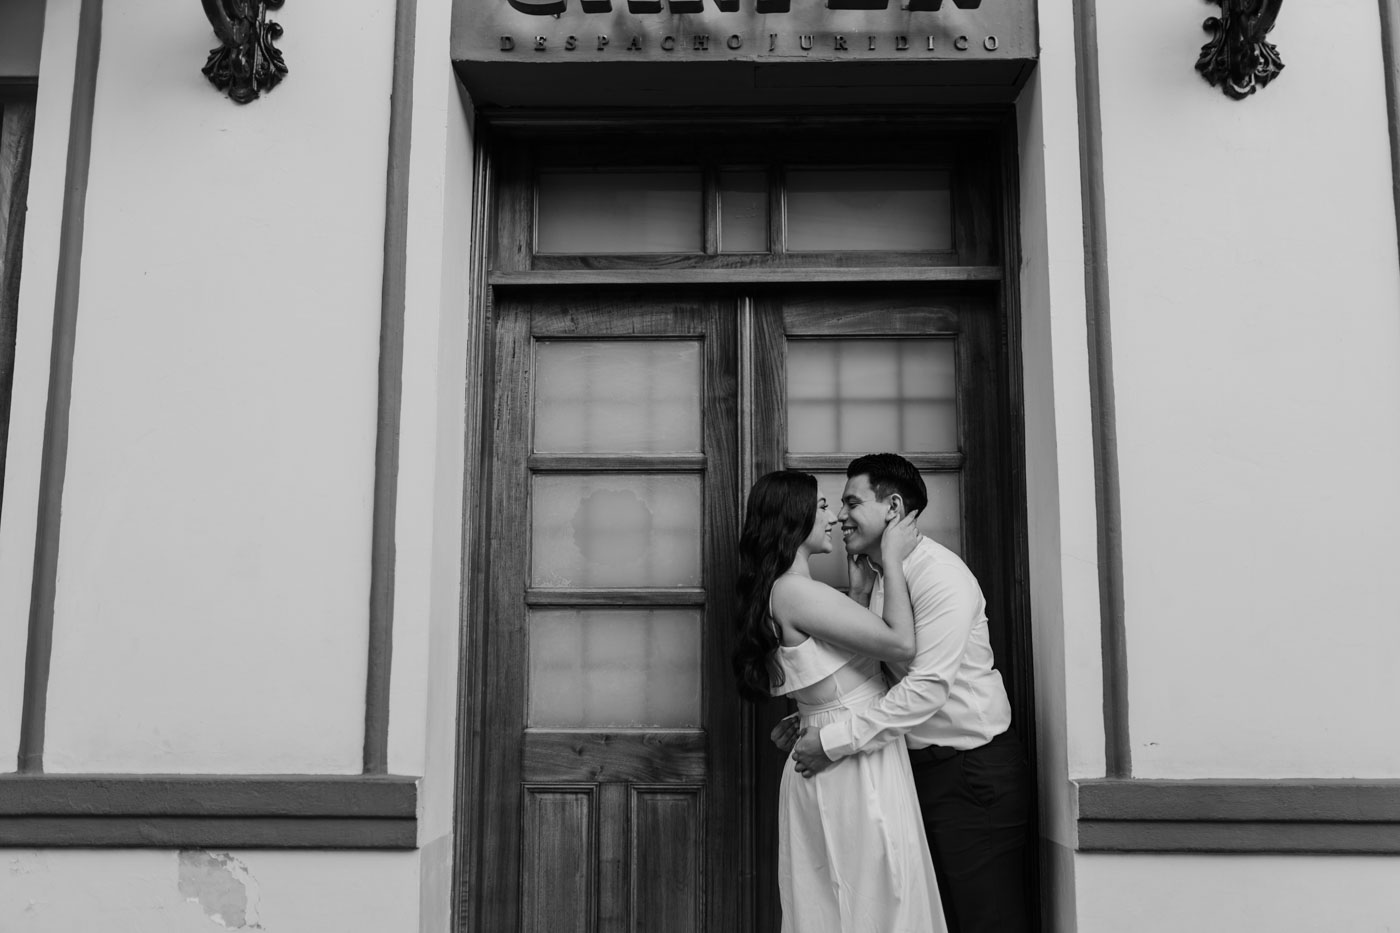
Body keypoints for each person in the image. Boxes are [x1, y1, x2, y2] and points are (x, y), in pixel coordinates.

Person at [783, 453, 1031, 933]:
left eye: (852, 503)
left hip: (970, 775)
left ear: (893, 507)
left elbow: (925, 688)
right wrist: (811, 717)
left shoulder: (939, 575)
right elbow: (874, 677)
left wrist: (833, 741)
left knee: (985, 920)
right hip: (912, 768)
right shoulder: (879, 575)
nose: (839, 516)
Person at [732, 470, 946, 933]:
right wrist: (892, 559)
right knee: (875, 898)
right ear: (795, 517)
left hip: (844, 747)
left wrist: (860, 593)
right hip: (848, 763)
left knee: (852, 900)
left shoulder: (790, 591)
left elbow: (834, 673)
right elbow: (900, 644)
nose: (833, 518)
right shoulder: (796, 592)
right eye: (823, 506)